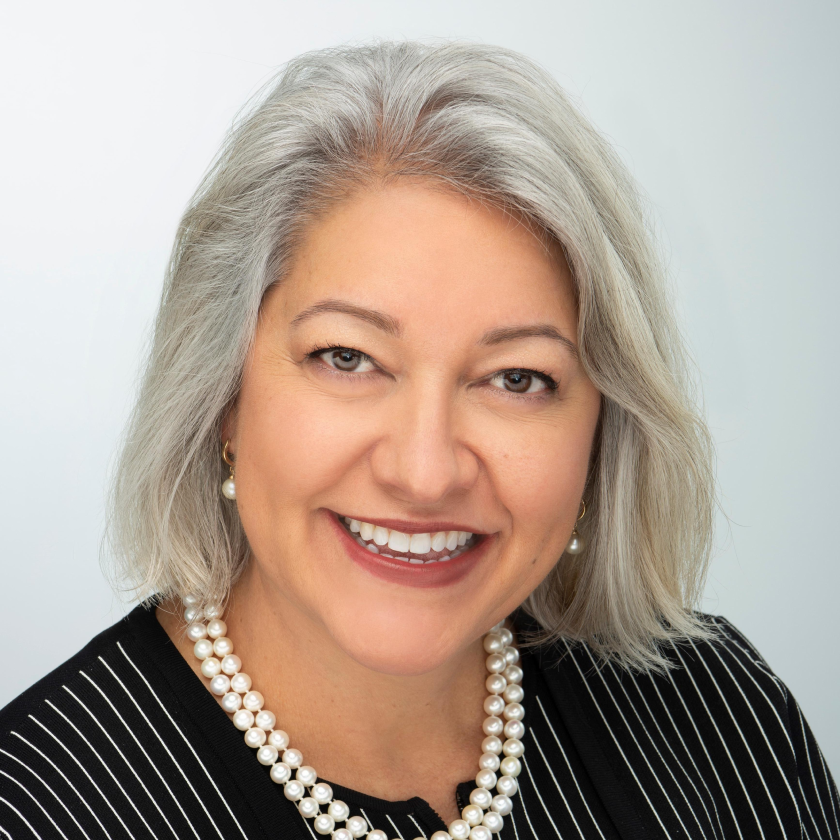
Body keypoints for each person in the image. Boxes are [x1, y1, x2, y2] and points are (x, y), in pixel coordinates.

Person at [0, 40, 836, 840]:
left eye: (517, 379)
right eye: (349, 358)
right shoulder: (39, 808)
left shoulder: (724, 717)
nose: (425, 471)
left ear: (602, 432)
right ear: (222, 395)